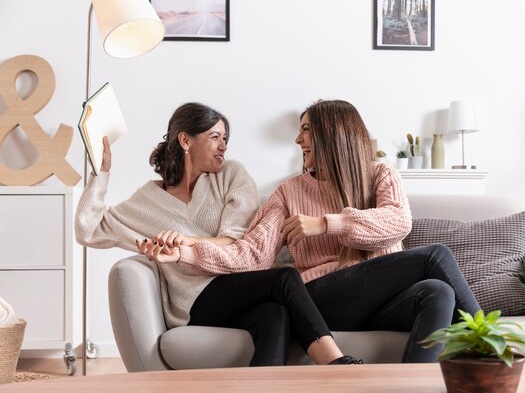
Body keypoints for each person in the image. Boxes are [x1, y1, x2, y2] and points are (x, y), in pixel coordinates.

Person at [139, 99, 481, 363]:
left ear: (333, 134)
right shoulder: (288, 192)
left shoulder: (380, 174)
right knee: (436, 256)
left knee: (438, 291)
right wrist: (185, 251)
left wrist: (326, 224)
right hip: (325, 298)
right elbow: (251, 254)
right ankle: (493, 351)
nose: (297, 139)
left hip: (384, 300)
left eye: (306, 130)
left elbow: (397, 222)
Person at [75, 102, 358, 366]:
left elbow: (236, 241)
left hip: (242, 284)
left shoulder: (233, 175)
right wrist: (102, 173)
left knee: (275, 315)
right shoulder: (146, 202)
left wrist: (186, 244)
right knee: (284, 277)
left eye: (226, 139)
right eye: (215, 137)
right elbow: (89, 230)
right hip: (196, 302)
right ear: (186, 141)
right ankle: (335, 364)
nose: (223, 146)